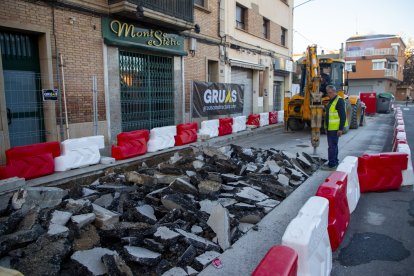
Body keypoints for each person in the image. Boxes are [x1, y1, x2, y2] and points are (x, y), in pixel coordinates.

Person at [321, 85, 348, 170]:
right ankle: (334, 162)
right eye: (328, 93)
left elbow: (343, 116)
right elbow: (328, 115)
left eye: (330, 93)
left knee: (332, 146)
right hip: (330, 128)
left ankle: (332, 164)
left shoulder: (339, 101)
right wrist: (325, 127)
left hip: (335, 128)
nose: (329, 94)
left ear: (334, 91)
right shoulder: (331, 100)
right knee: (333, 146)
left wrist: (340, 129)